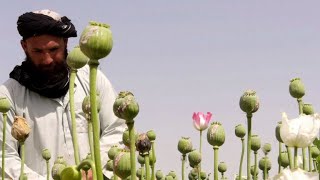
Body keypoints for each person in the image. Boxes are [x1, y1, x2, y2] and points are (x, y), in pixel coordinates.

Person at [0, 9, 126, 179]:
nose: (47, 60)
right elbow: (4, 157)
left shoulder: (91, 78)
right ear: (24, 47)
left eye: (53, 50)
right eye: (38, 51)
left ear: (65, 42)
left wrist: (95, 167)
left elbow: (117, 128)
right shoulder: (9, 95)